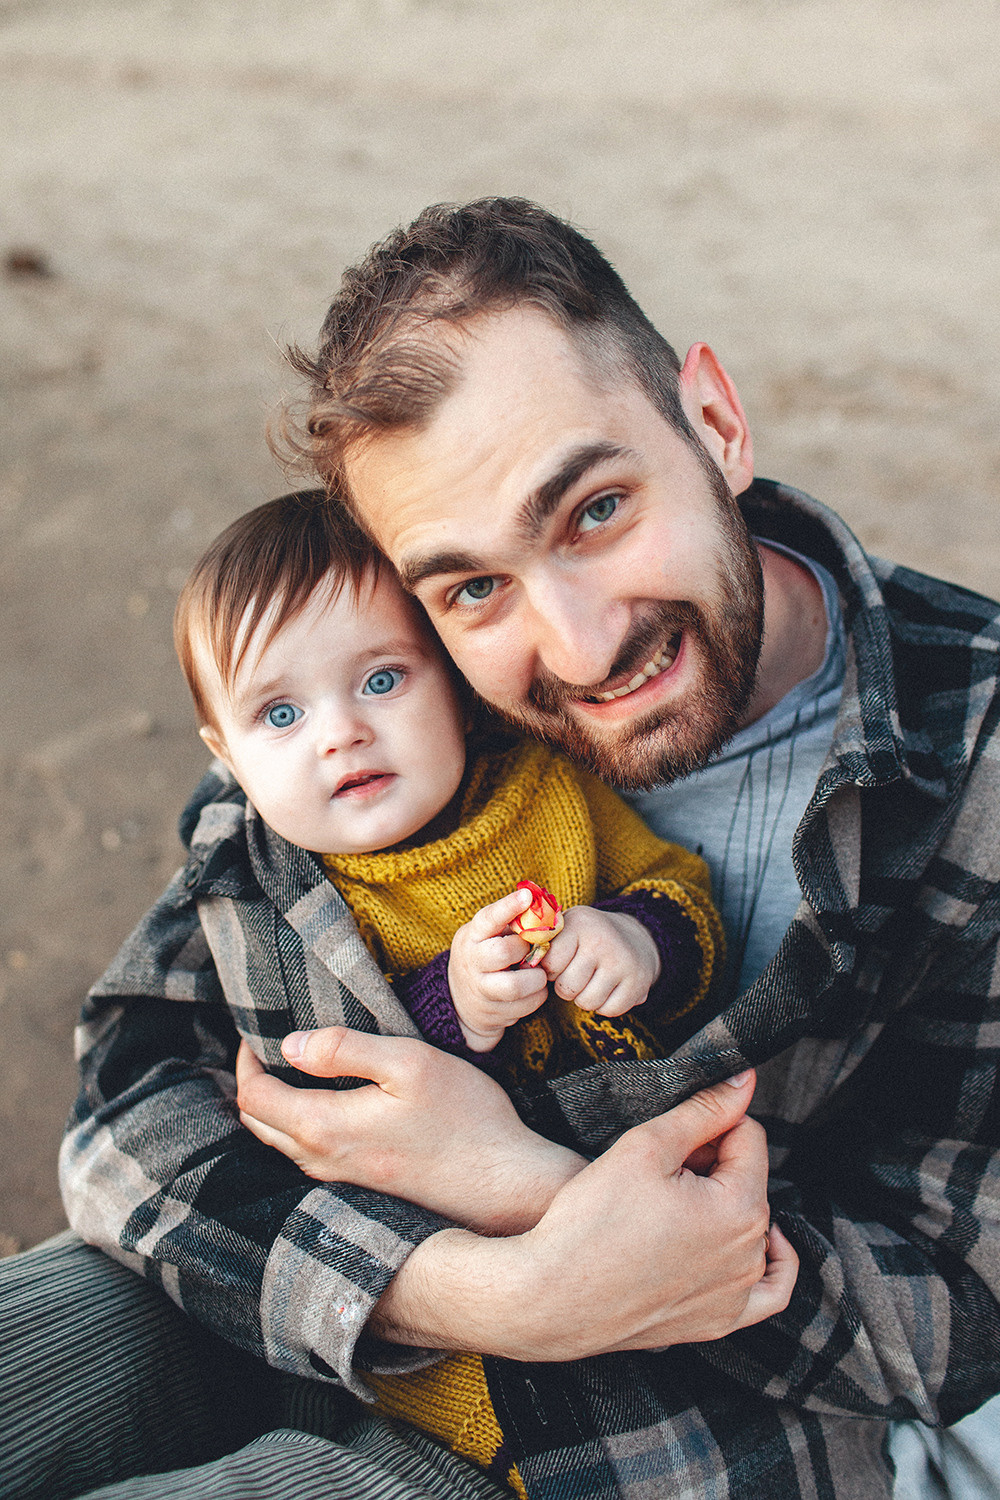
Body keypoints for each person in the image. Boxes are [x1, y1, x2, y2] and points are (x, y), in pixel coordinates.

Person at [1, 196, 995, 1500]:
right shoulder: (398, 695)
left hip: (648, 1432)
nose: (580, 649)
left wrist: (524, 1186)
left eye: (594, 510)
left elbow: (956, 1318)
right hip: (311, 1280)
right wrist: (478, 1289)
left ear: (717, 422)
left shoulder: (969, 760)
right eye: (471, 583)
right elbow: (138, 1084)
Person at [169, 487, 731, 1492]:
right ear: (226, 756)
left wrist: (637, 940)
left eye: (381, 679)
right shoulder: (280, 902)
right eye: (281, 713)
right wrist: (449, 1010)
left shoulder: (547, 791)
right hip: (434, 1263)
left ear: (455, 683)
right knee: (495, 1415)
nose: (339, 735)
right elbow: (319, 1101)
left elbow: (680, 888)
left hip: (650, 1179)